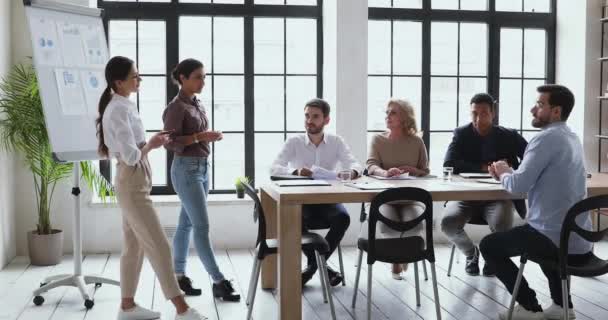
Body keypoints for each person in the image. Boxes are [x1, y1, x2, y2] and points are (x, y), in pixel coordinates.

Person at [97, 56, 206, 320]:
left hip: (135, 179)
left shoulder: (123, 105)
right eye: (134, 76)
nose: (139, 79)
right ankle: (182, 308)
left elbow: (132, 150)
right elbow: (132, 156)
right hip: (131, 180)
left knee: (133, 246)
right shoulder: (118, 109)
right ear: (118, 81)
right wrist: (153, 144)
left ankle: (127, 306)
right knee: (159, 244)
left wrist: (152, 142)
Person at [481, 84, 593, 320]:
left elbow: (518, 187)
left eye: (540, 105)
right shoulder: (572, 138)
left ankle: (530, 308)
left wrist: (503, 172)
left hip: (555, 241)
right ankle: (563, 306)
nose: (533, 109)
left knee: (490, 245)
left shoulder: (544, 139)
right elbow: (537, 180)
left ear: (556, 111)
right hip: (578, 240)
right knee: (537, 232)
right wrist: (512, 173)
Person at [162, 59, 240, 301]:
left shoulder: (197, 103)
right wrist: (200, 136)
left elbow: (195, 137)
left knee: (186, 224)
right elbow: (171, 142)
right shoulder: (176, 108)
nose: (203, 81)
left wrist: (206, 137)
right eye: (198, 77)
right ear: (182, 78)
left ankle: (179, 275)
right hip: (186, 171)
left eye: (204, 77)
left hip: (202, 168)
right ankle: (218, 280)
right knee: (201, 227)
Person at [270, 98, 363, 287]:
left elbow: (355, 164)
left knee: (343, 218)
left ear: (326, 120)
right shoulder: (294, 141)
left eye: (315, 117)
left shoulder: (336, 142)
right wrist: (295, 172)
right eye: (307, 116)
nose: (309, 121)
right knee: (294, 219)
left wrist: (352, 172)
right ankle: (323, 268)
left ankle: (312, 267)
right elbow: (274, 168)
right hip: (301, 201)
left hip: (327, 199)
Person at [441, 93, 528, 277]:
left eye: (484, 113)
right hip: (465, 197)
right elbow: (448, 163)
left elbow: (531, 158)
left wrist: (510, 168)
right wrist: (484, 167)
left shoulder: (509, 135)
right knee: (447, 223)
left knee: (502, 225)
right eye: (474, 113)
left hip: (498, 197)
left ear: (493, 113)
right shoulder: (461, 133)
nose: (479, 118)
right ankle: (471, 254)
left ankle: (492, 256)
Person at [366, 98, 429, 280]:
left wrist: (414, 170)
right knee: (388, 225)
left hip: (410, 199)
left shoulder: (417, 142)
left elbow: (425, 171)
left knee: (414, 223)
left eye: (393, 112)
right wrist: (385, 173)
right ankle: (396, 260)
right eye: (387, 112)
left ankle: (404, 256)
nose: (388, 116)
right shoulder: (378, 139)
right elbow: (371, 166)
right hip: (384, 198)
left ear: (404, 117)